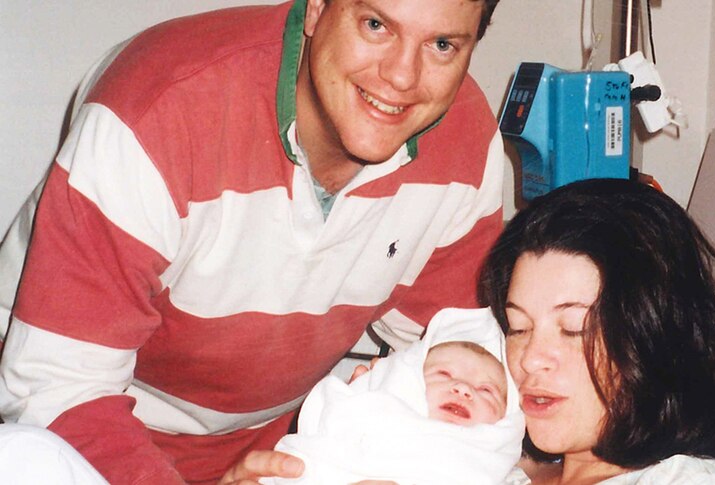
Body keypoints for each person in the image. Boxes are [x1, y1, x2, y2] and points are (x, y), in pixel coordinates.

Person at [0, 0, 504, 483]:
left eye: (441, 44)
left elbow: (461, 359)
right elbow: (54, 391)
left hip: (275, 452)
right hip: (72, 436)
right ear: (316, 8)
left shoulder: (466, 142)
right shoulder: (159, 108)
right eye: (375, 25)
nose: (401, 77)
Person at [479, 178, 715, 484]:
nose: (530, 360)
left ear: (653, 342)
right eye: (519, 328)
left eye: (573, 329)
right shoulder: (478, 463)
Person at [261, 307, 526, 485]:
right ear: (407, 378)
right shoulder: (370, 419)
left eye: (486, 390)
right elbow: (315, 460)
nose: (463, 389)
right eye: (444, 374)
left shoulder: (497, 467)